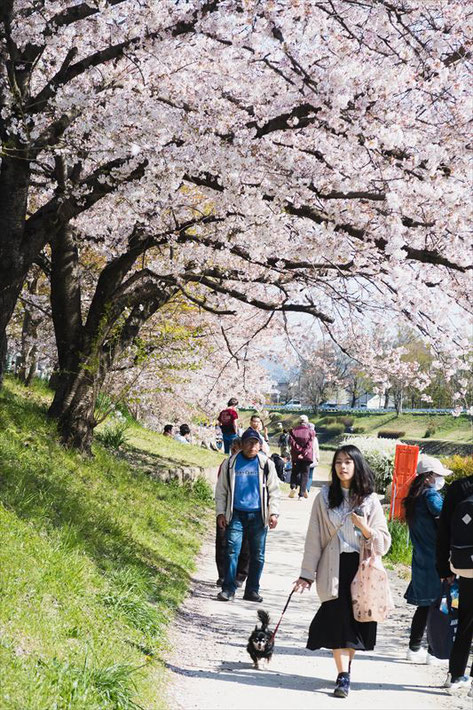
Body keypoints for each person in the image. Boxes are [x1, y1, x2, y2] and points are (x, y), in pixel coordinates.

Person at [294, 444, 391, 698]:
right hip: (332, 567)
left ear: (357, 465)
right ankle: (343, 675)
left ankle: (346, 668)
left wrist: (365, 528)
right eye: (338, 462)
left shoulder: (370, 500)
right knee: (339, 624)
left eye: (348, 462)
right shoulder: (324, 498)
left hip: (361, 570)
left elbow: (384, 541)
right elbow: (313, 538)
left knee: (355, 623)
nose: (342, 467)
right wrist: (307, 574)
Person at [215, 427, 281, 602]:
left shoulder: (266, 464)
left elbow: (274, 490)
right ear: (242, 444)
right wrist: (220, 513)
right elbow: (221, 491)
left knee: (258, 554)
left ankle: (252, 590)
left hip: (258, 516)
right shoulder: (230, 463)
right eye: (249, 442)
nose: (252, 446)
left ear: (260, 445)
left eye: (255, 442)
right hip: (235, 514)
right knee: (231, 551)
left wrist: (273, 513)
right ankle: (228, 589)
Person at [402, 455, 450, 665]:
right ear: (429, 477)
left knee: (425, 605)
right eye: (438, 475)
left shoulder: (415, 498)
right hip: (436, 559)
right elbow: (447, 525)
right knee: (439, 607)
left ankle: (414, 647)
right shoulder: (431, 497)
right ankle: (433, 651)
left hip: (420, 557)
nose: (441, 479)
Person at [436, 465, 473, 695]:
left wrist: (443, 568)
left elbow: (444, 532)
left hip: (466, 567)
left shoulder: (459, 487)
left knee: (466, 621)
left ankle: (456, 674)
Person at [215, 437, 250, 588]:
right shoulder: (226, 464)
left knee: (245, 545)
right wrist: (220, 512)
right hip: (227, 509)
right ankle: (223, 575)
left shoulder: (253, 465)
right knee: (223, 543)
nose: (234, 452)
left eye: (238, 450)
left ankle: (240, 576)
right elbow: (220, 489)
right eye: (232, 450)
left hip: (246, 510)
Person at [289, 414, 315, 499]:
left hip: (296, 456)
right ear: (307, 422)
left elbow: (292, 444)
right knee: (305, 474)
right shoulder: (311, 432)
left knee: (295, 472)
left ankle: (293, 487)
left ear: (299, 422)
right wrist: (303, 453)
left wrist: (299, 452)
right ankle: (301, 494)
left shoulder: (293, 431)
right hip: (307, 456)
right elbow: (310, 445)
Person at [306, 422, 320, 496]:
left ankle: (302, 488)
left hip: (304, 459)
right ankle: (307, 489)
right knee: (310, 476)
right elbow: (316, 449)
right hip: (313, 459)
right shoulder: (315, 439)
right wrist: (318, 458)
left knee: (304, 474)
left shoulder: (304, 437)